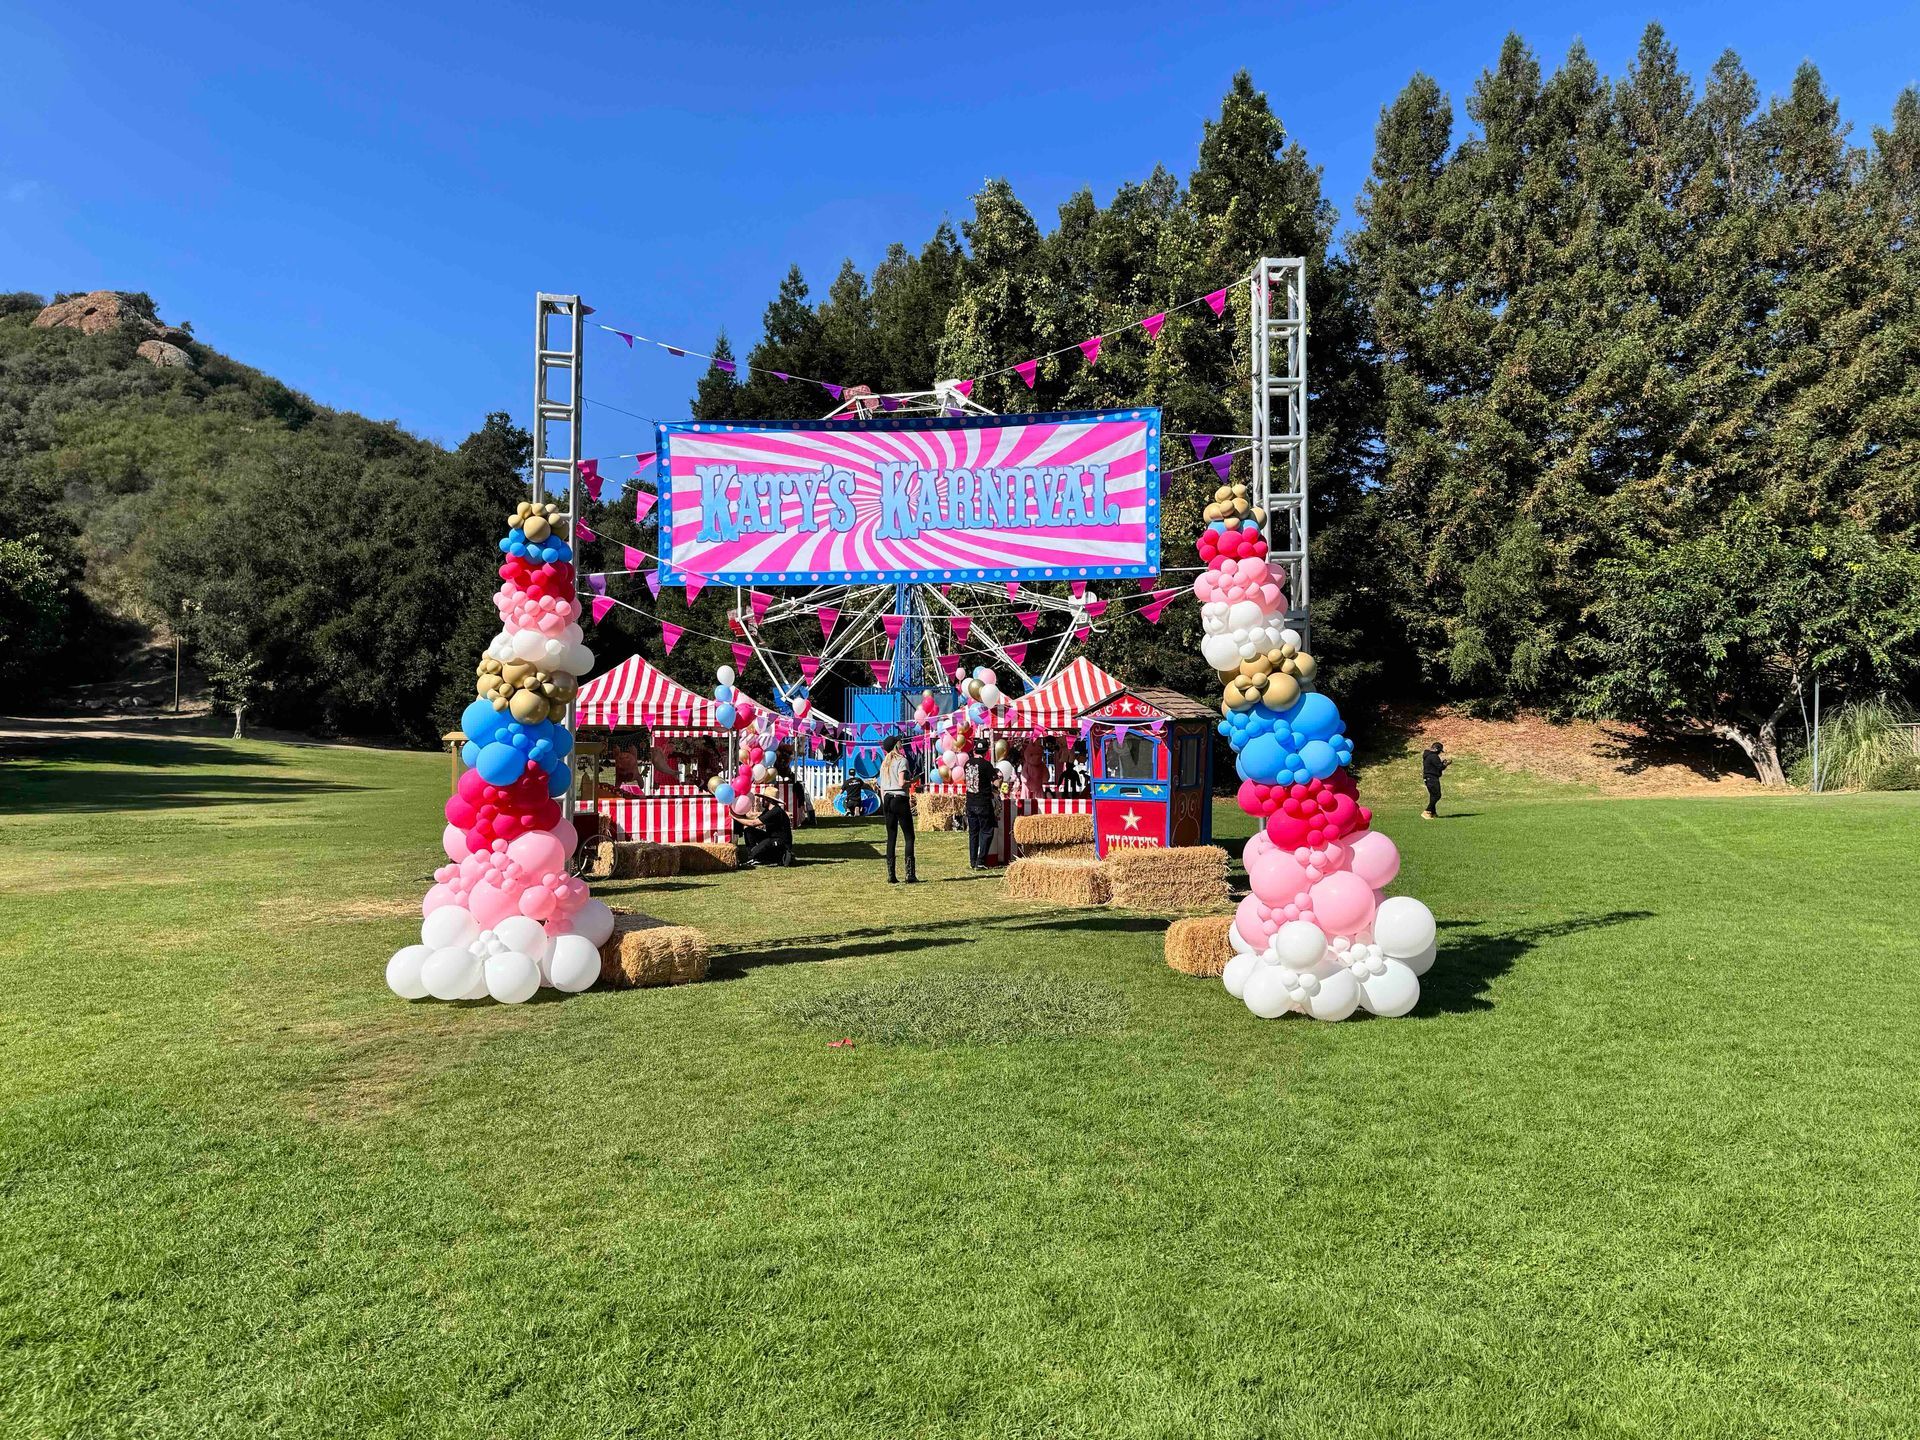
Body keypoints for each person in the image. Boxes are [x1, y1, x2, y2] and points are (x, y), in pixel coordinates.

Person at [877, 734, 917, 884]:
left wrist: (884, 803)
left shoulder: (884, 763)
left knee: (891, 837)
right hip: (899, 798)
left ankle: (891, 874)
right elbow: (901, 783)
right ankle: (910, 874)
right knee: (909, 836)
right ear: (896, 745)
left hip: (887, 798)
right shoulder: (902, 760)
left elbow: (882, 787)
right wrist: (912, 781)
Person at [962, 738, 1000, 870]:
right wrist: (999, 777)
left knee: (973, 832)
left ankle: (973, 861)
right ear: (986, 751)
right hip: (983, 802)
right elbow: (996, 783)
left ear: (974, 750)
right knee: (987, 831)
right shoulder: (986, 765)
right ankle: (981, 861)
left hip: (970, 801)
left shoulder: (967, 764)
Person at [738, 786, 793, 867]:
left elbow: (753, 823)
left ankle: (755, 857)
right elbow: (754, 820)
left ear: (769, 800)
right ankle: (754, 857)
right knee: (749, 831)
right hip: (771, 838)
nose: (761, 801)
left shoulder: (775, 812)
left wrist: (735, 817)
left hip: (781, 843)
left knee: (766, 843)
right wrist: (740, 815)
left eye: (763, 798)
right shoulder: (769, 811)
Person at [1421, 741, 1450, 818]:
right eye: (1440, 751)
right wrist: (1446, 764)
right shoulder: (1433, 756)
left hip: (1428, 777)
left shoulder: (1428, 755)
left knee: (1433, 795)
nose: (1440, 753)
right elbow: (1440, 767)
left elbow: (1436, 765)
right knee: (1437, 795)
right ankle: (1427, 811)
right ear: (1437, 749)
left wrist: (1442, 763)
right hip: (1432, 777)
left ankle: (1433, 813)